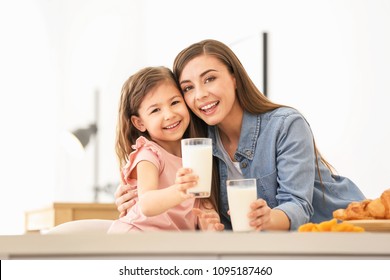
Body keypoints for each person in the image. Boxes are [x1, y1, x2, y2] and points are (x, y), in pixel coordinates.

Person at [115, 40, 366, 231]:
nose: (200, 94)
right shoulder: (199, 143)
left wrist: (269, 218)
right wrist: (131, 195)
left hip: (340, 231)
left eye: (210, 79)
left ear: (234, 78)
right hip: (268, 253)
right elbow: (167, 182)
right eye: (188, 88)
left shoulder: (286, 125)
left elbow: (298, 205)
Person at [108, 66, 223, 233]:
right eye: (155, 110)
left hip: (170, 242)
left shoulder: (195, 154)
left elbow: (200, 204)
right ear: (140, 123)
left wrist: (209, 223)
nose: (169, 114)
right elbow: (147, 204)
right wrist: (180, 190)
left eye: (175, 102)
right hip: (137, 234)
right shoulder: (148, 154)